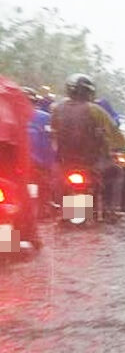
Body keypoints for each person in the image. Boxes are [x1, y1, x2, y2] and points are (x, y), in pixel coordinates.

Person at [50, 74, 125, 217]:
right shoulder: (96, 110)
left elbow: (53, 134)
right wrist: (118, 147)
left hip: (65, 162)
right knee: (116, 172)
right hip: (92, 163)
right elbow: (115, 135)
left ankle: (59, 207)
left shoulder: (57, 109)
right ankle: (109, 210)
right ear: (88, 92)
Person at [0, 77, 40, 248]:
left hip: (9, 152)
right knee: (19, 191)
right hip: (9, 153)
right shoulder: (12, 92)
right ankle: (26, 235)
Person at [23, 87, 56, 216]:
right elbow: (51, 143)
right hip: (40, 166)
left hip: (16, 167)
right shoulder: (45, 117)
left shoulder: (7, 115)